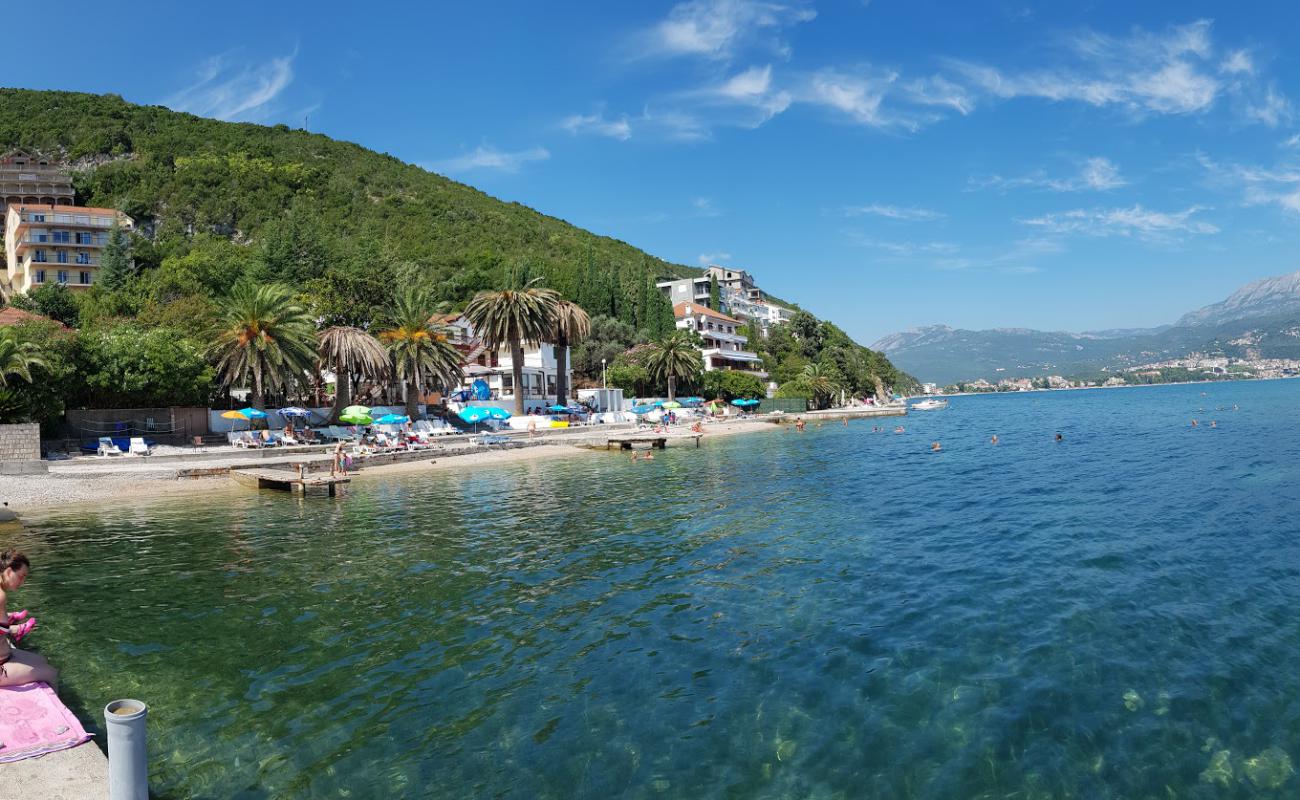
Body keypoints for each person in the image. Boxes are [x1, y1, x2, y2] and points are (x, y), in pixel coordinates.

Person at [0, 551, 57, 689]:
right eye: (21, 576)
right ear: (8, 572)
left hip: (5, 656)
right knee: (52, 673)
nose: (23, 582)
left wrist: (9, 620)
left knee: (42, 660)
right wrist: (14, 629)